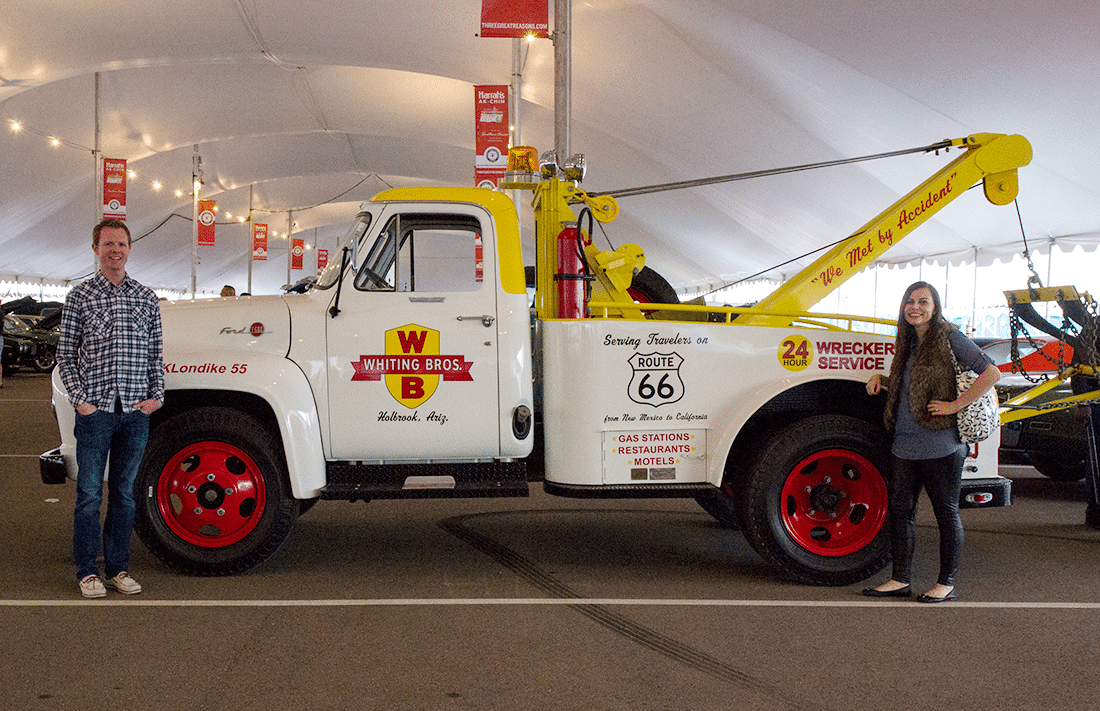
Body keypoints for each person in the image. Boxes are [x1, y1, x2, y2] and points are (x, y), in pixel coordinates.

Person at [863, 281, 999, 603]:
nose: (915, 307)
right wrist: (880, 379)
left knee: (946, 513)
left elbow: (991, 373)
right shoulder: (908, 340)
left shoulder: (949, 336)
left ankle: (946, 583)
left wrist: (954, 405)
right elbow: (906, 384)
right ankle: (900, 579)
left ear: (935, 307)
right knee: (901, 512)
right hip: (904, 442)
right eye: (910, 301)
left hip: (941, 443)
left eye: (923, 301)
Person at [56, 218, 164, 598]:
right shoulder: (80, 297)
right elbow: (65, 355)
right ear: (96, 249)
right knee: (88, 493)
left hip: (135, 412)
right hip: (96, 411)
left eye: (121, 243)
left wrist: (156, 398)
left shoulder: (147, 298)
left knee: (124, 493)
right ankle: (87, 571)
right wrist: (80, 401)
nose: (115, 250)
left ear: (130, 249)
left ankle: (118, 568)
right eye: (108, 244)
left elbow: (155, 355)